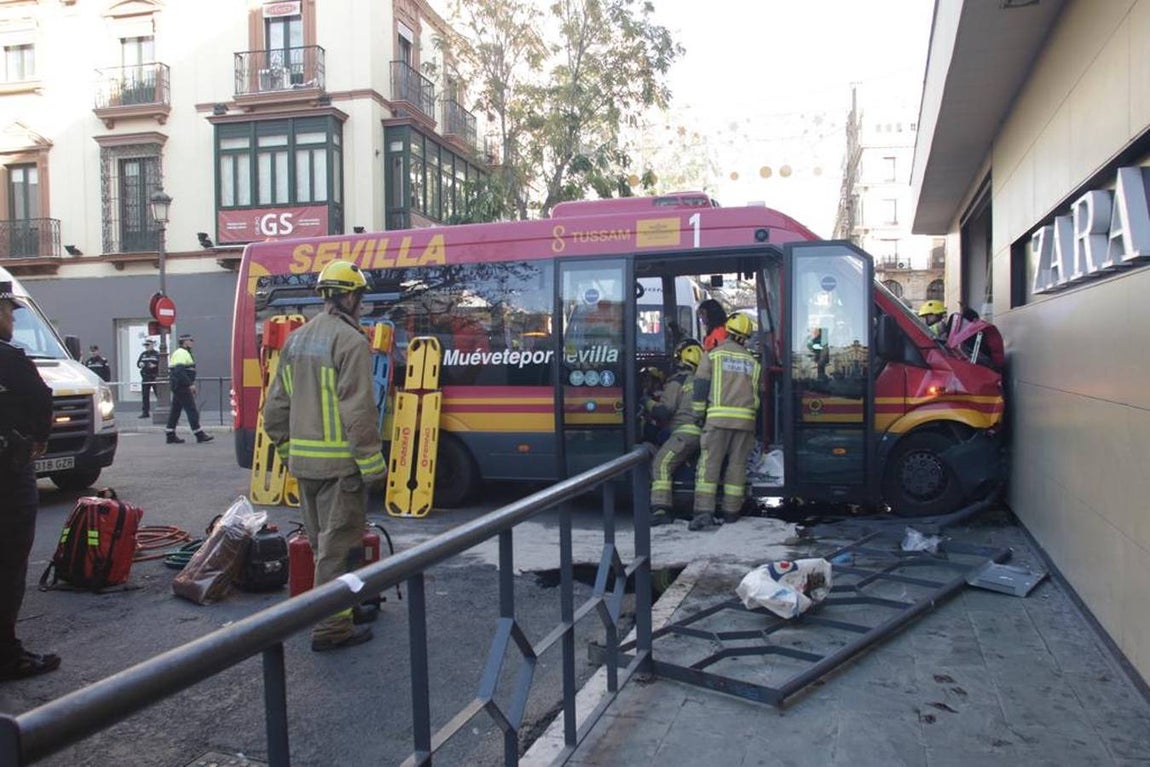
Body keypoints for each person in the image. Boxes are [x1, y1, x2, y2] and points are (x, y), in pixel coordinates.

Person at [263, 261, 386, 652]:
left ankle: (343, 609)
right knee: (336, 549)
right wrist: (372, 466)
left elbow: (274, 411)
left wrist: (288, 452)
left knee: (322, 546)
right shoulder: (351, 342)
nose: (361, 304)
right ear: (348, 296)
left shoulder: (297, 341)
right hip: (340, 469)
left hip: (306, 467)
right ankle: (331, 629)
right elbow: (359, 411)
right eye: (360, 297)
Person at [0, 281, 60, 681]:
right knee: (8, 564)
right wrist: (37, 441)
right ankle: (7, 656)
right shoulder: (9, 358)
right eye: (7, 311)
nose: (10, 320)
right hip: (7, 474)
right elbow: (41, 403)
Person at [690, 313, 761, 531]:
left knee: (709, 465)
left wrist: (698, 415)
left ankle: (704, 513)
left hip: (717, 420)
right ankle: (731, 512)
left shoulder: (712, 355)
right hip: (745, 423)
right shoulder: (752, 362)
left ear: (727, 331)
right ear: (746, 337)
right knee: (737, 467)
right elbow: (757, 397)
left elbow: (700, 387)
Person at [648, 339, 704, 527]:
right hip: (701, 432)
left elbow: (665, 411)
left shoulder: (678, 380)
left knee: (661, 464)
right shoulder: (702, 381)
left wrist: (646, 402)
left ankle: (661, 509)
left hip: (684, 434)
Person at [165, 334, 213, 444]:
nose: (192, 342)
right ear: (184, 342)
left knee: (175, 411)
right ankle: (199, 434)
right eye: (190, 340)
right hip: (182, 386)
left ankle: (170, 434)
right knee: (191, 409)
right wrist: (189, 384)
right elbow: (179, 371)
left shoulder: (183, 353)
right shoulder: (181, 353)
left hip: (179, 386)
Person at [136, 338, 160, 419]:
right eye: (145, 345)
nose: (146, 347)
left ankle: (161, 409)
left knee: (159, 394)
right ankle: (145, 412)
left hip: (154, 377)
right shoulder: (143, 354)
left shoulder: (157, 354)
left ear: (152, 345)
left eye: (148, 345)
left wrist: (155, 366)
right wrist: (140, 364)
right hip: (145, 377)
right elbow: (138, 364)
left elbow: (162, 364)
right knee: (145, 396)